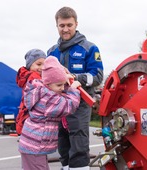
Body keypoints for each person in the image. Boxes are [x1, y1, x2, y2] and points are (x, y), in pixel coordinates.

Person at [47, 6, 104, 170]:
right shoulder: (51, 52)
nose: (65, 29)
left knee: (78, 145)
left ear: (76, 24)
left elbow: (98, 76)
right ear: (57, 26)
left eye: (69, 25)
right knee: (62, 143)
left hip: (80, 105)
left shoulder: (90, 48)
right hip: (58, 105)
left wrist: (76, 78)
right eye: (61, 25)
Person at [18, 56, 81, 170]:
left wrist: (63, 81)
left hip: (32, 145)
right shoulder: (47, 99)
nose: (62, 88)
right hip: (35, 147)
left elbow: (56, 90)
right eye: (59, 85)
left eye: (63, 84)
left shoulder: (41, 90)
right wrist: (73, 89)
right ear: (48, 83)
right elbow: (68, 106)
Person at [15, 48, 46, 135]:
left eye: (44, 64)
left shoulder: (26, 77)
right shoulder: (34, 77)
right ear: (29, 65)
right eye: (39, 64)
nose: (42, 67)